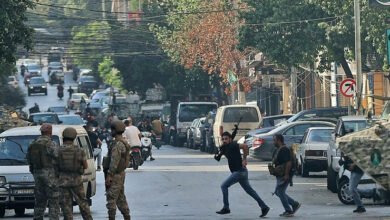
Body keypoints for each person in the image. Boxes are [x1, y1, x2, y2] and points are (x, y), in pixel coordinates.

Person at [214, 131, 270, 218]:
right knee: (250, 191)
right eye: (223, 139)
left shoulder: (233, 145)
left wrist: (244, 159)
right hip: (241, 172)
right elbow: (220, 154)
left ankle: (226, 207)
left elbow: (245, 146)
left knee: (224, 186)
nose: (224, 140)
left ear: (230, 139)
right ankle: (264, 207)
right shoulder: (226, 147)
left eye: (226, 139)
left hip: (239, 172)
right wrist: (218, 154)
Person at [26, 123, 60, 220]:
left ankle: (37, 218)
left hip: (37, 174)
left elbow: (28, 159)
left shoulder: (33, 144)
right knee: (54, 200)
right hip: (50, 175)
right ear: (50, 132)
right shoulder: (50, 143)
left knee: (40, 201)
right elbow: (58, 157)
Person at [58, 127, 92, 220]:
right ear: (74, 137)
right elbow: (85, 166)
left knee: (66, 205)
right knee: (83, 203)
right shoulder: (79, 150)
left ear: (63, 136)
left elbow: (54, 166)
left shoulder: (57, 150)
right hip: (76, 181)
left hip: (63, 181)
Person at [103, 120, 131, 220]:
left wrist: (109, 175)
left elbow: (114, 161)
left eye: (112, 129)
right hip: (120, 174)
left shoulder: (118, 145)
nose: (111, 131)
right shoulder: (122, 142)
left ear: (115, 130)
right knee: (120, 198)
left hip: (115, 175)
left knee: (111, 198)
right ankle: (127, 216)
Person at [272, 134, 300, 217]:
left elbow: (289, 162)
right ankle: (294, 204)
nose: (273, 142)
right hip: (280, 174)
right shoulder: (279, 149)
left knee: (280, 192)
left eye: (274, 140)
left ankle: (288, 210)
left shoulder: (284, 150)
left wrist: (287, 174)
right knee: (278, 192)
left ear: (279, 140)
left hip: (284, 174)